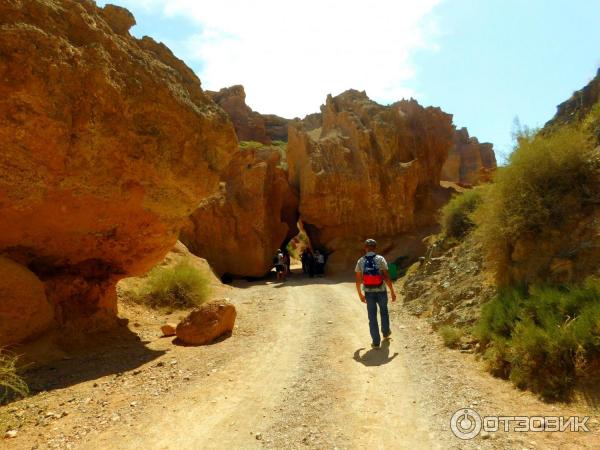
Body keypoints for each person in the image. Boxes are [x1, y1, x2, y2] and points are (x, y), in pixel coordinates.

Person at [355, 238, 397, 348]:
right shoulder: (380, 259)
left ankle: (376, 342)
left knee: (372, 316)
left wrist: (360, 294)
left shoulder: (361, 261)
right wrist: (392, 291)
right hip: (381, 290)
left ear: (365, 248)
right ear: (375, 248)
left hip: (369, 293)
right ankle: (386, 332)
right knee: (384, 312)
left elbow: (358, 280)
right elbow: (387, 277)